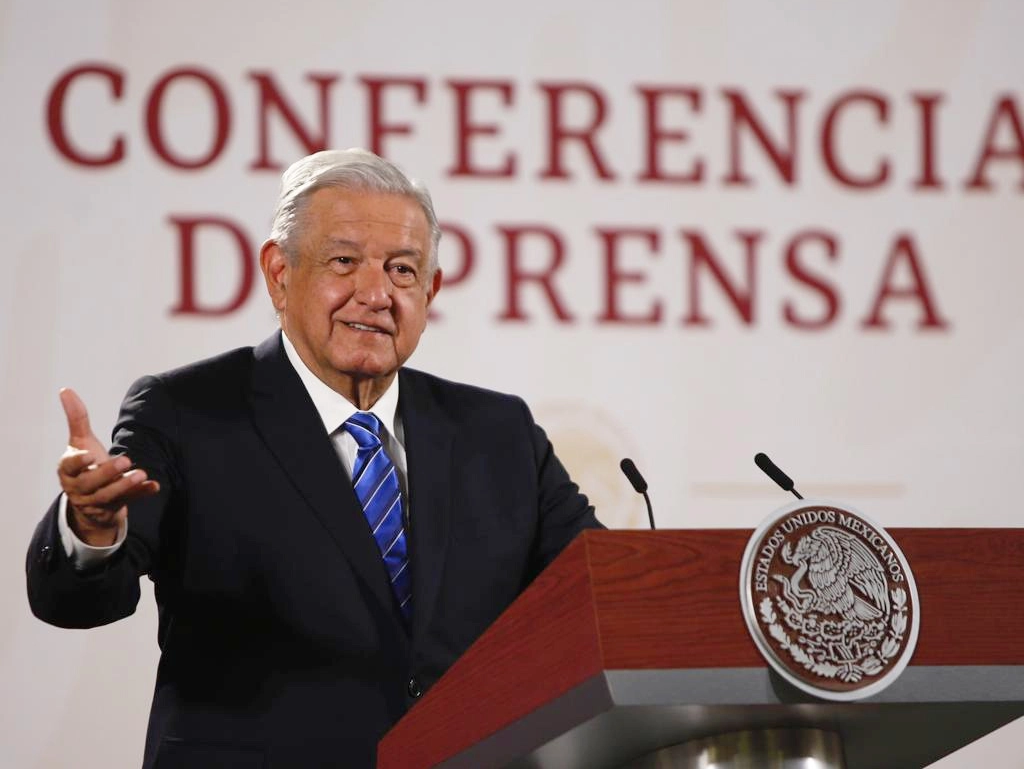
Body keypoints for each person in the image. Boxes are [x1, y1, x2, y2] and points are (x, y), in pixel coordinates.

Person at [26, 149, 601, 768]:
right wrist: (90, 530)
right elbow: (78, 602)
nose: (376, 294)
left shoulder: (499, 431)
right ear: (279, 273)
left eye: (402, 270)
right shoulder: (186, 412)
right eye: (344, 262)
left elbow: (603, 595)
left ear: (430, 290)